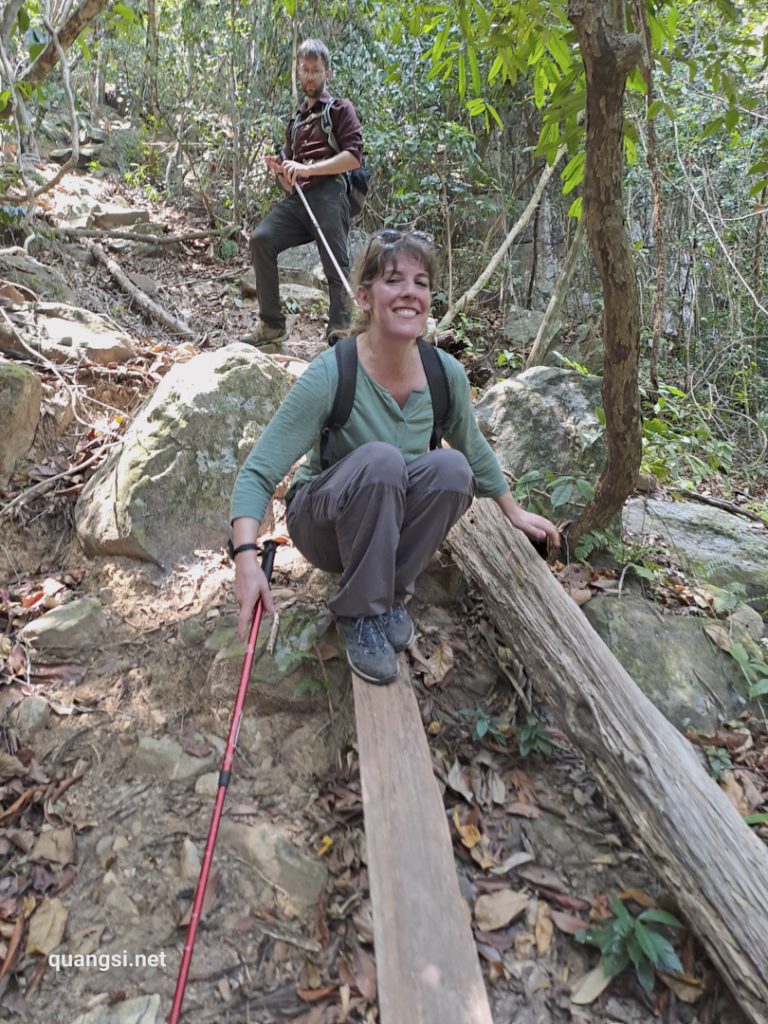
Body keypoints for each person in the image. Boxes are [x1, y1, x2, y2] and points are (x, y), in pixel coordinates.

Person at [230, 230, 560, 685]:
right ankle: (358, 614)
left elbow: (472, 446)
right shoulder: (334, 372)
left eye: (421, 282)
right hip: (324, 523)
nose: (410, 292)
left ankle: (386, 597)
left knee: (452, 469)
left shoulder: (445, 375)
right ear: (365, 297)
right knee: (383, 462)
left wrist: (513, 510)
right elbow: (260, 470)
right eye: (394, 280)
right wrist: (246, 558)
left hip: (388, 521)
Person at [246, 38, 363, 350]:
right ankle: (271, 325)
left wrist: (309, 169)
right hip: (298, 200)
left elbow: (353, 157)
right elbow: (290, 184)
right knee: (262, 239)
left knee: (335, 263)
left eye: (316, 70)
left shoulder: (339, 109)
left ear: (328, 73)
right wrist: (283, 171)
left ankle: (340, 333)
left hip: (329, 194)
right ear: (298, 72)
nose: (310, 76)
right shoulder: (295, 121)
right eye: (305, 70)